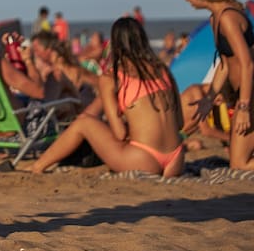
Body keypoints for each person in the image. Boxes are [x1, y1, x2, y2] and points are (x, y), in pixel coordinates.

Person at [30, 17, 185, 177]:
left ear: (115, 44)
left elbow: (119, 134)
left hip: (143, 159)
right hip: (176, 160)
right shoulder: (163, 70)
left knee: (83, 122)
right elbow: (179, 123)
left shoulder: (112, 77)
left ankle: (37, 167)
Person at [181, 0, 253, 169]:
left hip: (249, 95)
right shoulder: (216, 18)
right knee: (238, 162)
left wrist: (245, 106)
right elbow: (224, 63)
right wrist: (208, 99)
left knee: (239, 164)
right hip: (243, 94)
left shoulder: (228, 18)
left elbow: (247, 63)